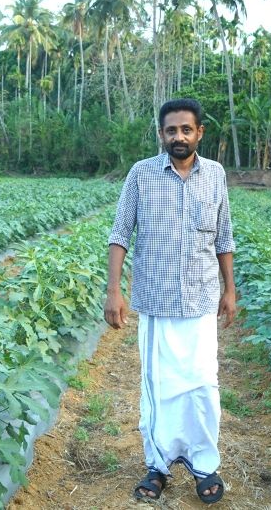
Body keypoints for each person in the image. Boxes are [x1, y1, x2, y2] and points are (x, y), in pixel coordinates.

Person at [105, 97, 236, 504]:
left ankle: (203, 465)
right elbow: (120, 233)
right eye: (170, 130)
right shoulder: (141, 175)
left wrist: (230, 290)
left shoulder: (215, 175)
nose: (177, 136)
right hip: (157, 302)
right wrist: (114, 291)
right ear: (160, 134)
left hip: (199, 301)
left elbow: (224, 236)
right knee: (159, 388)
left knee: (201, 385)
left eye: (185, 129)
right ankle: (158, 466)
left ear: (200, 133)